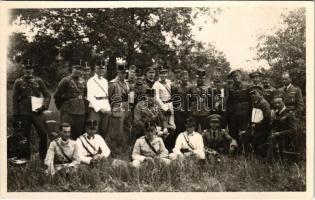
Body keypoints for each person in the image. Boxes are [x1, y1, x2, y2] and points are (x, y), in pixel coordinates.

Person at [12, 60, 51, 161]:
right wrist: (16, 115)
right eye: (26, 68)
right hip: (23, 112)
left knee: (43, 133)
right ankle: (26, 158)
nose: (28, 70)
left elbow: (47, 95)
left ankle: (43, 156)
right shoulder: (18, 82)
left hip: (37, 112)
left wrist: (43, 107)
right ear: (23, 69)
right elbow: (14, 98)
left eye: (30, 68)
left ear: (33, 69)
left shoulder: (38, 81)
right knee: (25, 136)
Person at [54, 61, 86, 139]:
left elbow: (85, 95)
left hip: (80, 111)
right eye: (76, 68)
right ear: (72, 69)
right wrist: (63, 106)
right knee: (66, 133)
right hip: (68, 112)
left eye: (80, 69)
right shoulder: (65, 80)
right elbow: (57, 95)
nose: (78, 71)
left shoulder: (83, 81)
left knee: (78, 134)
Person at [240, 86, 271, 157]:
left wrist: (257, 125)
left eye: (254, 93)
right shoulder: (255, 103)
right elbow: (253, 117)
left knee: (256, 140)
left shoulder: (264, 103)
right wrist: (249, 127)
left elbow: (267, 118)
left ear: (260, 94)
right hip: (256, 127)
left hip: (263, 128)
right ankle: (249, 154)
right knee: (243, 135)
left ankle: (259, 156)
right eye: (251, 94)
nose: (252, 96)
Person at [107, 63, 130, 157]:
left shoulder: (126, 83)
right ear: (118, 72)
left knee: (126, 129)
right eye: (122, 73)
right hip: (116, 108)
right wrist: (110, 111)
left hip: (126, 108)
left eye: (125, 73)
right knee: (116, 131)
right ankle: (114, 151)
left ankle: (124, 148)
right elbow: (107, 98)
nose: (123, 75)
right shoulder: (112, 84)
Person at [268, 95, 297, 161]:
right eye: (275, 103)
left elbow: (293, 130)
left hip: (287, 140)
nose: (277, 104)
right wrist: (272, 119)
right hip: (277, 139)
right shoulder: (276, 113)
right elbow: (272, 126)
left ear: (283, 102)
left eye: (279, 102)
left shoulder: (289, 114)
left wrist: (279, 133)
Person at [87, 61, 111, 138]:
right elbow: (90, 97)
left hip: (105, 107)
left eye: (103, 69)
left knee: (104, 129)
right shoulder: (91, 80)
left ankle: (101, 147)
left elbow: (106, 96)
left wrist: (108, 108)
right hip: (95, 108)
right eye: (99, 68)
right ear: (95, 69)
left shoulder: (105, 81)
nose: (101, 70)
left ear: (105, 69)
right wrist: (100, 108)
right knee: (94, 129)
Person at [226, 69, 250, 143]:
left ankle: (245, 148)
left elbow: (250, 100)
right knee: (233, 130)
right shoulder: (230, 87)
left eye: (237, 75)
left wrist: (249, 112)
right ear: (232, 78)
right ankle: (235, 147)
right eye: (234, 76)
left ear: (241, 76)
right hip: (233, 112)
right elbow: (228, 101)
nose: (236, 77)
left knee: (244, 131)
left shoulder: (247, 86)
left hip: (244, 112)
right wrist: (230, 112)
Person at [171, 70, 192, 148]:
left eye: (186, 76)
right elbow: (173, 98)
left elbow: (192, 98)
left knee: (186, 127)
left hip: (187, 111)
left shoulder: (190, 87)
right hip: (178, 111)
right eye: (183, 76)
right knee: (178, 128)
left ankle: (187, 145)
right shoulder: (176, 87)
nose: (185, 78)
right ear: (181, 77)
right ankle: (177, 146)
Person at [153, 65, 176, 130]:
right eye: (161, 73)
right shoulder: (156, 84)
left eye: (164, 73)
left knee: (172, 124)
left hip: (171, 105)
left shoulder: (169, 82)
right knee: (164, 126)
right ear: (159, 74)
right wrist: (165, 108)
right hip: (162, 106)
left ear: (167, 74)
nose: (163, 75)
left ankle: (172, 139)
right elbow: (156, 98)